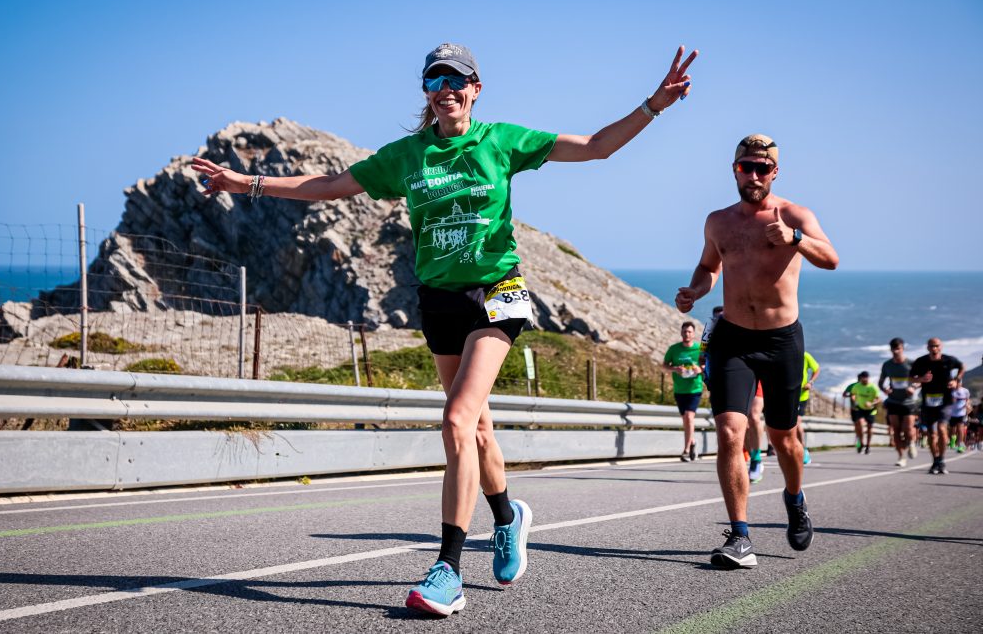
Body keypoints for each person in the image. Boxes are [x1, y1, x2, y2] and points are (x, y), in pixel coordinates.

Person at [193, 42, 698, 615]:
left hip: (497, 294)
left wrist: (654, 105)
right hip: (438, 301)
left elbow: (597, 148)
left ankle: (448, 571)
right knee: (476, 432)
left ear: (475, 89)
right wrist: (243, 183)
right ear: (427, 93)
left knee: (456, 420)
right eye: (436, 81)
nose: (447, 90)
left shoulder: (501, 141)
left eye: (458, 81)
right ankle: (508, 517)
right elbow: (330, 185)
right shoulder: (407, 156)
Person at [676, 133, 839, 569]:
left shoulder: (794, 214)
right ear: (734, 170)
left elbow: (831, 258)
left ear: (775, 172)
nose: (753, 175)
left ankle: (794, 497)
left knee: (784, 438)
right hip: (733, 339)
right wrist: (694, 289)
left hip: (781, 340)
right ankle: (740, 536)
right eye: (746, 166)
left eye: (762, 168)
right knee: (731, 431)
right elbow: (709, 266)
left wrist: (794, 238)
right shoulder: (718, 221)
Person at [910, 338, 964, 475]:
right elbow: (910, 377)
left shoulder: (949, 360)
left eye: (937, 346)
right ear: (927, 348)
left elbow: (962, 367)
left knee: (941, 428)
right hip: (928, 401)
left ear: (941, 347)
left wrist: (955, 381)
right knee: (931, 434)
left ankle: (942, 459)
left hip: (945, 400)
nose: (934, 349)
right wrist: (921, 379)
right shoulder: (920, 362)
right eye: (931, 346)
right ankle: (936, 460)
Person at [664, 321, 704, 462]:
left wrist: (700, 369)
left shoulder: (699, 349)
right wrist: (675, 369)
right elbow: (665, 365)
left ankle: (686, 450)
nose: (687, 334)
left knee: (689, 417)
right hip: (679, 389)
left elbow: (707, 364)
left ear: (693, 334)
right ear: (681, 333)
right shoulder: (674, 349)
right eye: (684, 331)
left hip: (695, 388)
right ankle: (692, 442)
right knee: (685, 420)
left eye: (689, 331)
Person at [879, 337, 918, 466]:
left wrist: (913, 387)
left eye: (898, 348)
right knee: (895, 430)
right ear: (891, 350)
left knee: (908, 429)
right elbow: (880, 382)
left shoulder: (911, 364)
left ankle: (911, 442)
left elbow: (921, 380)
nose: (896, 351)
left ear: (903, 348)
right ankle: (902, 457)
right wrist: (885, 390)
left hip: (908, 402)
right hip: (893, 401)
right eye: (894, 349)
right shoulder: (887, 365)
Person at [849, 371, 882, 454]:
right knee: (859, 424)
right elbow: (852, 394)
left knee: (869, 427)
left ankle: (868, 445)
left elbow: (878, 399)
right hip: (860, 408)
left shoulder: (873, 387)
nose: (864, 380)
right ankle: (861, 442)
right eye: (862, 379)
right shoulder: (857, 386)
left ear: (868, 378)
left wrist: (872, 403)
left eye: (865, 379)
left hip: (871, 409)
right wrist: (854, 399)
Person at [797, 351, 820, 464]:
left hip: (801, 396)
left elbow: (817, 369)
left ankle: (803, 449)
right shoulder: (783, 352)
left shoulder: (805, 355)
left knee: (796, 424)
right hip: (786, 395)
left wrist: (810, 382)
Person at [748, 382, 766, 482]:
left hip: (757, 377)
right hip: (736, 375)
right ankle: (752, 457)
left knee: (754, 417)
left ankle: (756, 459)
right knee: (744, 423)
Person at [948, 377, 970, 453]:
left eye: (959, 382)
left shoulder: (965, 391)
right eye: (957, 382)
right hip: (952, 413)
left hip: (961, 413)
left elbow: (967, 399)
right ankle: (953, 440)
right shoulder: (951, 390)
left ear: (961, 383)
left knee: (960, 428)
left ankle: (960, 445)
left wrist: (966, 405)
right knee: (952, 429)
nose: (958, 384)